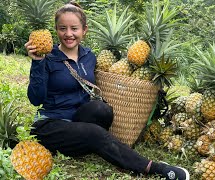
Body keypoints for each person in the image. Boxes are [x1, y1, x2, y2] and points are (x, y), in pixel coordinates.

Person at [24, 1, 189, 180]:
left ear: (84, 30)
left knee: (103, 110)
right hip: (51, 123)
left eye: (74, 28)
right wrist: (37, 62)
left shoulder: (89, 56)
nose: (68, 34)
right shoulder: (48, 58)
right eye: (63, 28)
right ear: (56, 30)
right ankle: (153, 167)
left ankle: (86, 140)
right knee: (94, 133)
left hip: (77, 119)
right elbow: (35, 99)